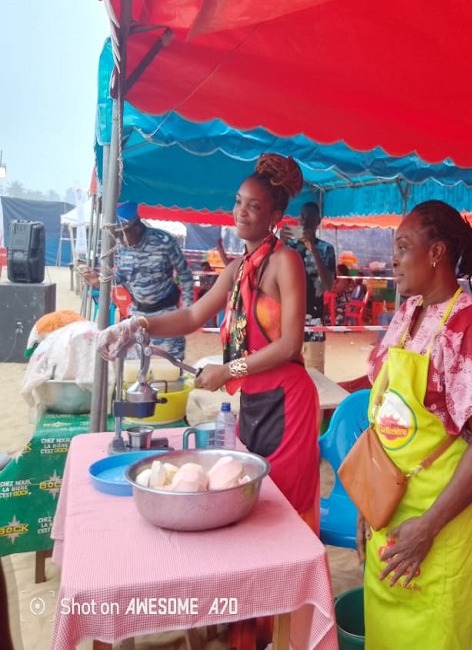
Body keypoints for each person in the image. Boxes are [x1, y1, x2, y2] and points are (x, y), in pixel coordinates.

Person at [98, 155, 321, 529]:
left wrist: (228, 370)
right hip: (254, 400)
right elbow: (191, 316)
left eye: (254, 206)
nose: (241, 212)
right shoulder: (237, 270)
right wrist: (138, 324)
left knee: (285, 509)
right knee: (253, 502)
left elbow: (289, 346)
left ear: (274, 216)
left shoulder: (286, 262)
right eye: (238, 201)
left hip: (289, 400)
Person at [357, 200, 472, 648]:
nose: (393, 259)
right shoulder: (406, 313)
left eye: (403, 247)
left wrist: (427, 527)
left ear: (436, 253)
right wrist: (369, 502)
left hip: (439, 535)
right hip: (391, 525)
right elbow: (386, 413)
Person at [113, 202, 194, 361]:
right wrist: (100, 278)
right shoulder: (122, 248)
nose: (119, 239)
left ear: (136, 229)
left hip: (166, 314)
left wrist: (187, 309)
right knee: (133, 366)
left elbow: (185, 273)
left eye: (122, 234)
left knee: (173, 363)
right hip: (138, 314)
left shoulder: (163, 241)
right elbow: (121, 277)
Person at [280, 202, 335, 373]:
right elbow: (272, 276)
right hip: (286, 326)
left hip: (314, 327)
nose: (305, 222)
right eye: (302, 217)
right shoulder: (287, 247)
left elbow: (329, 285)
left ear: (318, 221)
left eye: (310, 219)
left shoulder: (326, 249)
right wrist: (279, 244)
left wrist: (314, 250)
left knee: (315, 378)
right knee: (287, 376)